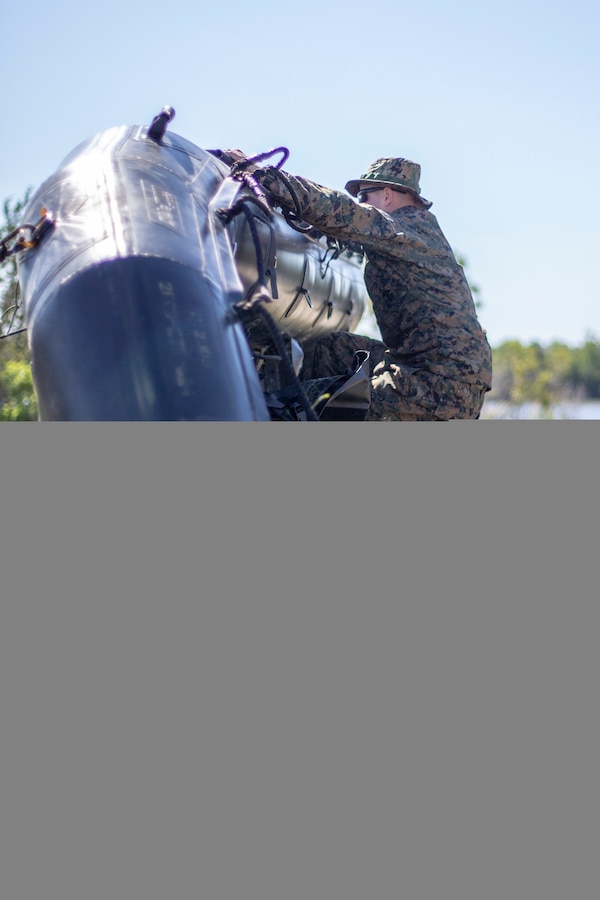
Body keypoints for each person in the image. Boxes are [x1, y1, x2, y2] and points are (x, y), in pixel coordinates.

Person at [226, 152, 493, 420]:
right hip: (428, 368)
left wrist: (267, 176)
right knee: (331, 348)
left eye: (365, 196)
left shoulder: (403, 227)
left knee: (303, 405)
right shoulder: (412, 231)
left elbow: (342, 211)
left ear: (387, 196)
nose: (361, 203)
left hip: (438, 386)